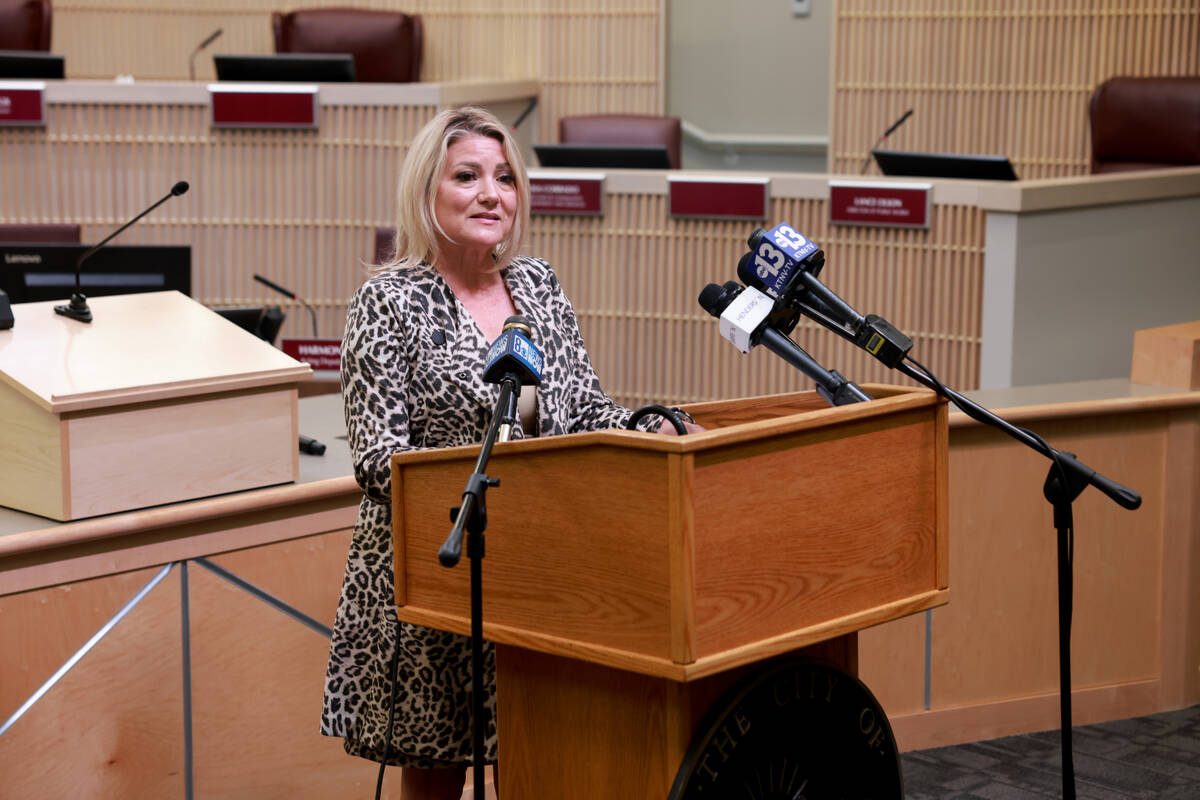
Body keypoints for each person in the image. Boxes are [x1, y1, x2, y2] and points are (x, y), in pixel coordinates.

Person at [320, 105, 700, 798]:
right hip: (435, 568)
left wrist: (649, 431)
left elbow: (582, 410)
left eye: (505, 178)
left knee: (534, 760)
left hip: (535, 571)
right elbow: (377, 460)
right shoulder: (388, 301)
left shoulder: (539, 287)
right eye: (467, 176)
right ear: (427, 190)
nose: (490, 194)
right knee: (437, 777)